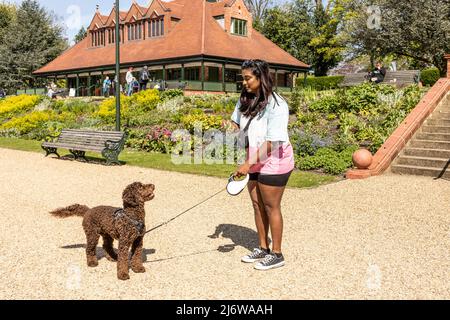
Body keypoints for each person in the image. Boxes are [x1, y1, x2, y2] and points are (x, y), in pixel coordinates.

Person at [231, 59, 294, 271]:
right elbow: (237, 121)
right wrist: (229, 126)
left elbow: (272, 142)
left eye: (248, 78)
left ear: (261, 77)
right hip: (255, 157)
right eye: (243, 78)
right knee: (257, 204)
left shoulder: (277, 105)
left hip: (275, 159)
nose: (244, 82)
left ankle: (277, 254)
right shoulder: (246, 99)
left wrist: (247, 164)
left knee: (270, 205)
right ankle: (262, 247)